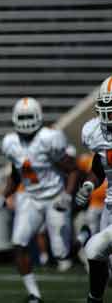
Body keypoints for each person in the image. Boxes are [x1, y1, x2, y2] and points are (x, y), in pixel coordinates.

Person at [0, 97, 78, 303]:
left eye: (28, 117)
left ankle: (84, 237)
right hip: (30, 197)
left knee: (61, 254)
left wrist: (68, 196)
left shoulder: (49, 138)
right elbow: (16, 174)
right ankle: (34, 294)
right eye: (22, 117)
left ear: (39, 117)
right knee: (19, 242)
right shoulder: (11, 142)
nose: (25, 122)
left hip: (54, 197)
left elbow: (73, 169)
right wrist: (4, 195)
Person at [75, 75, 112, 303]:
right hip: (109, 206)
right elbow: (100, 164)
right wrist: (89, 184)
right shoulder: (94, 132)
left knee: (94, 248)